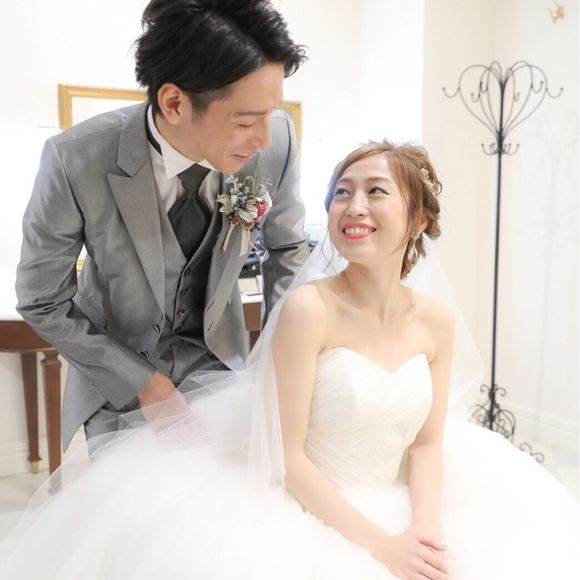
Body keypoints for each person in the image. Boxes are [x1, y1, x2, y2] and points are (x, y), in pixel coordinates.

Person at [2, 141, 578, 579]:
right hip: (310, 505)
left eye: (376, 191)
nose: (353, 206)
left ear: (418, 220)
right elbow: (288, 457)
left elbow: (426, 445)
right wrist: (382, 546)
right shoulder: (309, 309)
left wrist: (423, 531)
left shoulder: (437, 321)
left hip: (403, 497)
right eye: (342, 192)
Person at [15, 0, 309, 450]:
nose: (264, 137)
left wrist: (275, 363)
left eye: (271, 113)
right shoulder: (75, 160)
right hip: (118, 390)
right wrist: (143, 383)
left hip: (227, 377)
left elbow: (289, 252)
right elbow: (41, 300)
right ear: (174, 103)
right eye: (246, 120)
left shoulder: (276, 143)